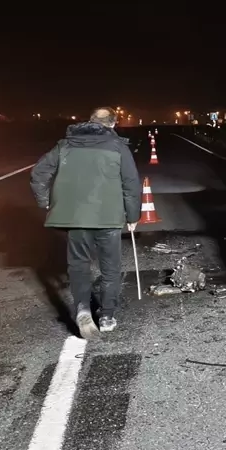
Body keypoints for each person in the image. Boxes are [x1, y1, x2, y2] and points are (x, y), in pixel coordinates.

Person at [30, 107, 141, 338]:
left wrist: (46, 202)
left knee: (79, 265)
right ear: (112, 124)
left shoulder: (65, 145)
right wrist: (132, 217)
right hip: (108, 218)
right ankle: (107, 315)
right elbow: (131, 184)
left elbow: (39, 174)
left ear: (90, 121)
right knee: (110, 267)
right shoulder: (118, 147)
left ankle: (82, 307)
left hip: (76, 218)